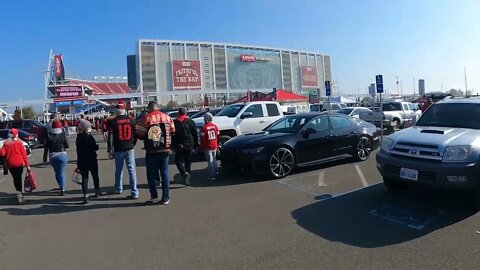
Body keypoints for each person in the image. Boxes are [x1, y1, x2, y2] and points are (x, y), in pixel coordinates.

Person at [136, 101, 175, 205]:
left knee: (151, 174)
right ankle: (165, 197)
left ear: (149, 108)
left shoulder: (146, 118)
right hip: (165, 149)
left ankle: (154, 196)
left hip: (151, 150)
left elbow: (140, 134)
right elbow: (173, 131)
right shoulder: (167, 117)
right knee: (164, 173)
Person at [107, 101, 139, 199]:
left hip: (118, 148)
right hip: (129, 147)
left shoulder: (113, 122)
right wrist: (132, 143)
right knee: (131, 170)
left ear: (116, 111)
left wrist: (109, 150)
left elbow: (110, 137)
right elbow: (136, 134)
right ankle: (134, 191)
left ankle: (118, 188)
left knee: (119, 169)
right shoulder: (132, 120)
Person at [0, 129, 31, 204]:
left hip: (11, 164)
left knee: (15, 179)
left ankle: (18, 192)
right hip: (19, 163)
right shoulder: (19, 143)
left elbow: (2, 154)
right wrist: (28, 166)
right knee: (19, 178)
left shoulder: (6, 143)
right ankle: (20, 194)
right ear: (17, 135)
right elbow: (24, 155)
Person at [76, 119, 101, 204]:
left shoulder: (78, 137)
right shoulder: (89, 136)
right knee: (95, 176)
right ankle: (97, 191)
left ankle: (85, 195)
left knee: (84, 178)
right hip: (91, 159)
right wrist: (97, 147)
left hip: (82, 160)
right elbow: (94, 147)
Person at [172, 107, 198, 186]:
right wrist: (196, 146)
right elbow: (195, 134)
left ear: (178, 113)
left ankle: (184, 173)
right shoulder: (190, 122)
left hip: (180, 145)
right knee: (188, 160)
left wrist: (173, 145)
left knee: (178, 161)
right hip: (190, 144)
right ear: (186, 113)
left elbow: (172, 135)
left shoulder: (175, 122)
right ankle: (188, 174)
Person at [43, 119, 69, 195]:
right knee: (61, 172)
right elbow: (67, 145)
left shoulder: (49, 135)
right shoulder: (63, 133)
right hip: (62, 155)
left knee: (57, 172)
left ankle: (60, 185)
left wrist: (44, 158)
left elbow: (46, 148)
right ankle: (62, 189)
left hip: (53, 156)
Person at [199, 113, 219, 181]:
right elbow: (218, 135)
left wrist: (202, 146)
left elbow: (202, 138)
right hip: (214, 145)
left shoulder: (204, 127)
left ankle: (211, 175)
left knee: (210, 161)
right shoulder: (215, 126)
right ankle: (216, 171)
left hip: (208, 146)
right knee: (214, 159)